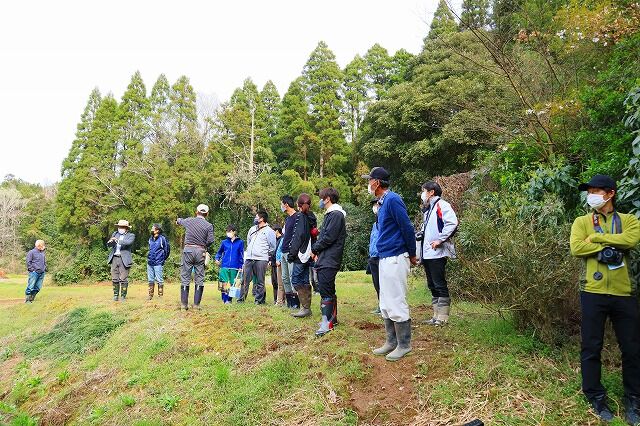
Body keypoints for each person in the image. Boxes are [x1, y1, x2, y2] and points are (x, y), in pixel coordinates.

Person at [570, 174, 640, 424]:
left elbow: (630, 240)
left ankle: (634, 399)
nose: (591, 195)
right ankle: (595, 396)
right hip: (592, 291)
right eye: (589, 191)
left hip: (624, 293)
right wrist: (607, 247)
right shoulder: (582, 221)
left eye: (596, 191)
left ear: (610, 194)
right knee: (591, 346)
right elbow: (577, 247)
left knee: (632, 348)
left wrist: (597, 238)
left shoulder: (629, 220)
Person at [364, 167, 419, 361]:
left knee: (396, 299)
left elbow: (407, 227)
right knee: (386, 301)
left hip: (396, 255)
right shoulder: (382, 202)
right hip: (385, 256)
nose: (368, 184)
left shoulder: (393, 200)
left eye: (369, 180)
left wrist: (412, 253)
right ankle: (391, 341)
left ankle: (404, 344)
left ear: (377, 183)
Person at [418, 181, 458, 326]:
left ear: (431, 192)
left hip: (438, 253)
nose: (422, 194)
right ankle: (435, 316)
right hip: (428, 253)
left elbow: (452, 223)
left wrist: (440, 240)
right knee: (432, 285)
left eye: (424, 191)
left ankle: (443, 317)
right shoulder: (429, 208)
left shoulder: (442, 205)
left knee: (439, 284)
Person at [312, 188, 347, 336]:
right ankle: (332, 319)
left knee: (325, 288)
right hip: (326, 257)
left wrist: (314, 249)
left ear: (327, 199)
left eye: (321, 198)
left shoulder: (336, 215)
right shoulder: (331, 215)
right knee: (328, 288)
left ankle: (327, 322)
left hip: (330, 258)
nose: (320, 201)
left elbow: (328, 237)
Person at [176, 204, 215, 310]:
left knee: (185, 277)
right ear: (207, 214)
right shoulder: (209, 225)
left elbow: (180, 221)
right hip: (200, 251)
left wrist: (178, 220)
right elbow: (211, 240)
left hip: (188, 250)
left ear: (196, 212)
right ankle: (196, 305)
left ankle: (184, 305)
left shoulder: (189, 221)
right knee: (199, 278)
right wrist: (204, 246)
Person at [287, 193, 317, 318]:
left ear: (298, 204)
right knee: (304, 280)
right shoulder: (311, 216)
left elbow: (298, 237)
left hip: (300, 253)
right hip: (309, 252)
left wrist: (291, 254)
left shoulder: (300, 217)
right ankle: (306, 308)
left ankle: (305, 308)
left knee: (296, 280)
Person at [240, 211, 276, 304]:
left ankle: (259, 300)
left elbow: (272, 247)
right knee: (245, 280)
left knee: (260, 281)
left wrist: (264, 254)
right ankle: (241, 299)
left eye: (257, 217)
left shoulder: (269, 231)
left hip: (261, 259)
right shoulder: (252, 229)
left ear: (262, 219)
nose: (255, 218)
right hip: (249, 258)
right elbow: (249, 241)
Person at [215, 224, 244, 304]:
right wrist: (217, 259)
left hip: (235, 266)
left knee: (233, 284)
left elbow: (241, 255)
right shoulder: (224, 242)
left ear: (234, 232)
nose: (228, 233)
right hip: (224, 265)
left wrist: (241, 265)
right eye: (227, 231)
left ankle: (229, 300)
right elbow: (219, 252)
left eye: (230, 231)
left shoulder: (240, 242)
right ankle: (224, 300)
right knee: (224, 283)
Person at [107, 220, 135, 302]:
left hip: (124, 259)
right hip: (114, 258)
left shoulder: (131, 235)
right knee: (114, 278)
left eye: (122, 227)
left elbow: (128, 243)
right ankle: (115, 295)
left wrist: (117, 240)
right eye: (119, 227)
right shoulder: (115, 234)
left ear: (126, 228)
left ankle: (123, 296)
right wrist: (110, 241)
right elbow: (109, 245)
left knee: (123, 278)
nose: (120, 228)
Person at [279, 195, 300, 309]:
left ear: (286, 204)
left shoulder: (297, 217)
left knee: (292, 277)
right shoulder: (287, 219)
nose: (281, 206)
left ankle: (296, 303)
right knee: (285, 277)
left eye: (281, 204)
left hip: (291, 252)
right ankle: (289, 302)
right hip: (283, 251)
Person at [147, 223, 170, 300]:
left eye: (153, 228)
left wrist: (162, 259)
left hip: (158, 262)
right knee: (150, 279)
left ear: (157, 230)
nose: (151, 229)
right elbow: (149, 249)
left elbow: (167, 250)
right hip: (150, 262)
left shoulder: (162, 239)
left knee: (159, 279)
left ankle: (160, 296)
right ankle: (150, 295)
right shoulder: (150, 239)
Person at [368, 199, 381, 314]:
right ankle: (380, 305)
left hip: (381, 256)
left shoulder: (384, 223)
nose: (375, 207)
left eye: (376, 204)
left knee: (384, 284)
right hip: (373, 257)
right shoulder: (374, 224)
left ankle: (385, 306)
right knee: (376, 283)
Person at [270, 225, 284, 305]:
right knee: (274, 282)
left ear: (277, 231)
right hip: (273, 263)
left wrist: (278, 260)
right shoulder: (274, 240)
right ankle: (275, 299)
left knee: (280, 282)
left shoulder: (282, 239)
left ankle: (281, 300)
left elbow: (280, 251)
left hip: (278, 263)